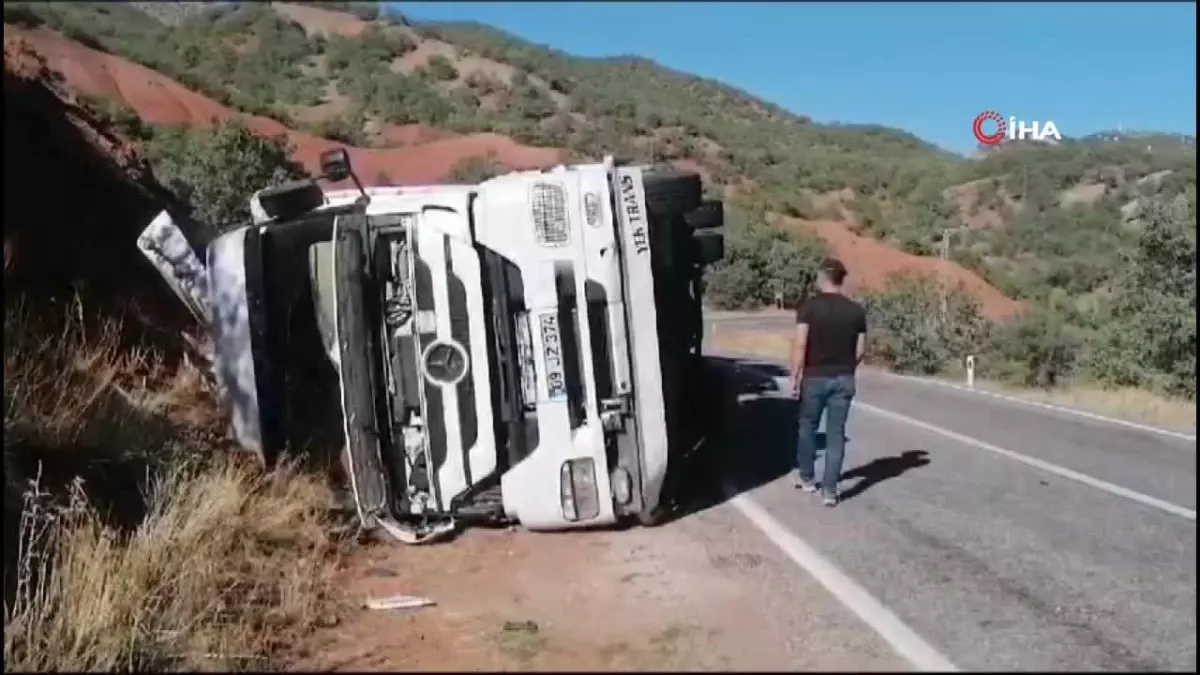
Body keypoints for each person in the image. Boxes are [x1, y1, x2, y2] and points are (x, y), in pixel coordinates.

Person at [787, 258, 867, 507]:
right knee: (836, 434)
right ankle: (830, 491)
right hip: (843, 377)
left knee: (807, 427)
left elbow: (801, 344)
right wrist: (847, 368)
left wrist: (795, 375)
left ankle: (807, 477)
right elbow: (861, 349)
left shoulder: (809, 308)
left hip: (814, 377)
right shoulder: (856, 311)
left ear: (823, 277)